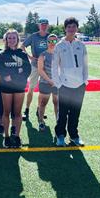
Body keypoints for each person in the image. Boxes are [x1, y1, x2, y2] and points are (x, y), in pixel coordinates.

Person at [52, 17, 88, 147]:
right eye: (69, 27)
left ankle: (74, 136)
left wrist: (84, 81)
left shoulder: (81, 45)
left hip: (79, 85)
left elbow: (85, 65)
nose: (71, 29)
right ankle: (60, 135)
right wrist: (59, 84)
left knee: (75, 113)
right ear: (65, 29)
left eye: (74, 27)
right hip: (65, 86)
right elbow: (54, 67)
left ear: (77, 28)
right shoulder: (59, 46)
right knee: (62, 113)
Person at [0, 29, 31, 148]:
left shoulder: (22, 54)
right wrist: (17, 72)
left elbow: (27, 70)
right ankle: (6, 137)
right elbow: (2, 71)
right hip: (6, 87)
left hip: (19, 86)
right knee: (6, 112)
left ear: (17, 39)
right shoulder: (2, 54)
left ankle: (16, 136)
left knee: (17, 113)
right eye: (9, 38)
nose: (11, 40)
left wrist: (13, 74)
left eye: (14, 38)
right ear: (6, 40)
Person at [21, 18, 49, 121]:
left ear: (48, 26)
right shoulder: (33, 36)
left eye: (46, 24)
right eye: (42, 24)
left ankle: (39, 110)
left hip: (46, 67)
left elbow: (56, 48)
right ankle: (26, 110)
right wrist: (29, 56)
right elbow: (22, 46)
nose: (44, 26)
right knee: (31, 88)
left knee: (43, 91)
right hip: (34, 65)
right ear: (39, 25)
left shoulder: (49, 37)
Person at [37, 34, 58, 131]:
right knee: (43, 103)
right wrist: (50, 81)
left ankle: (58, 121)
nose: (52, 43)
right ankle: (41, 121)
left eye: (54, 41)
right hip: (45, 82)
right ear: (46, 42)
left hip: (57, 83)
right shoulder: (43, 55)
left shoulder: (59, 54)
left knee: (56, 102)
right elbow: (40, 70)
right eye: (50, 41)